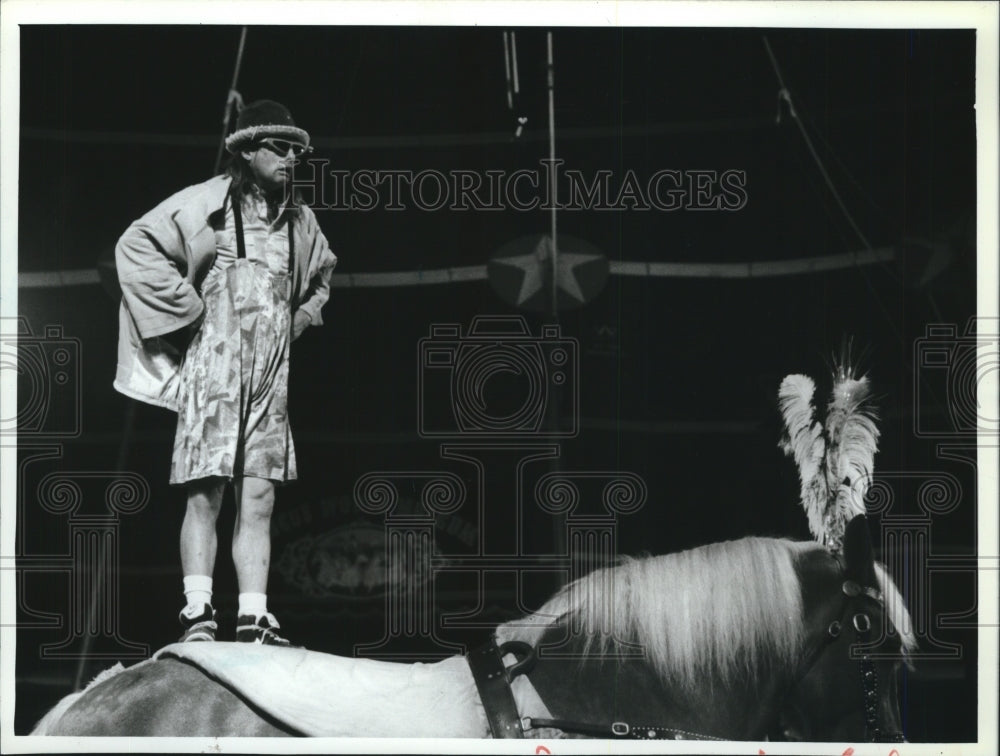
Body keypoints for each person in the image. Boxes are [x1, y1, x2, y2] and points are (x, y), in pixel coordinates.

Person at [113, 100, 337, 645]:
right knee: (205, 493)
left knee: (259, 496)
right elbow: (135, 244)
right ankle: (197, 612)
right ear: (248, 150)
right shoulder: (206, 203)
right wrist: (186, 311)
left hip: (269, 376)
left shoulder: (301, 221)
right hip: (215, 367)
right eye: (279, 148)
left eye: (296, 151)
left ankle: (254, 616)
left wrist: (299, 318)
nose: (290, 159)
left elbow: (323, 276)